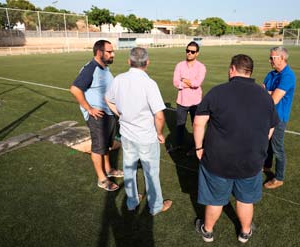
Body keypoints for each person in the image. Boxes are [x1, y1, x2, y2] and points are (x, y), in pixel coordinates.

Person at [193, 54, 279, 243]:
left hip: (217, 160)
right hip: (251, 160)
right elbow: (271, 126)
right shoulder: (264, 95)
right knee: (245, 199)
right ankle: (245, 232)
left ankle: (207, 230)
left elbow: (199, 123)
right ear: (250, 72)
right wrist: (260, 146)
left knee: (215, 199)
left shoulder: (217, 92)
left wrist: (199, 147)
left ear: (232, 69)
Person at [105, 47, 172, 215]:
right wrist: (160, 133)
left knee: (129, 168)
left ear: (129, 62)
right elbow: (159, 116)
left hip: (127, 135)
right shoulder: (149, 84)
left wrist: (119, 114)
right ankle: (155, 206)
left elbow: (108, 99)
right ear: (147, 63)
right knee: (151, 172)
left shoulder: (119, 79)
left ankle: (132, 201)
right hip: (146, 137)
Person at [70, 39, 123, 192]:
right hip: (97, 116)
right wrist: (90, 109)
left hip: (108, 113)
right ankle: (102, 179)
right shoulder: (90, 68)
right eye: (109, 52)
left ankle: (109, 169)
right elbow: (74, 89)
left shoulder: (104, 68)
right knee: (98, 147)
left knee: (107, 144)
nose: (113, 54)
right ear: (100, 52)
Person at [263, 46, 296, 189]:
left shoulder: (288, 76)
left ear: (282, 58)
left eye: (272, 58)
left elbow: (274, 99)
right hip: (266, 114)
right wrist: (268, 92)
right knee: (266, 144)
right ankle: (266, 165)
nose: (269, 60)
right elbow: (262, 91)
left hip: (279, 117)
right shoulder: (271, 74)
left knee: (277, 148)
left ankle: (279, 177)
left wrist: (267, 93)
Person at [169, 41, 206, 153]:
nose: (189, 53)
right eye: (187, 51)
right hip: (182, 101)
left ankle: (196, 147)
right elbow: (175, 82)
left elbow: (197, 83)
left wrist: (183, 80)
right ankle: (179, 145)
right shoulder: (179, 65)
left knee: (196, 125)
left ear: (197, 53)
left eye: (192, 51)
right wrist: (187, 83)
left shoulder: (201, 67)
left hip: (196, 102)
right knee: (180, 125)